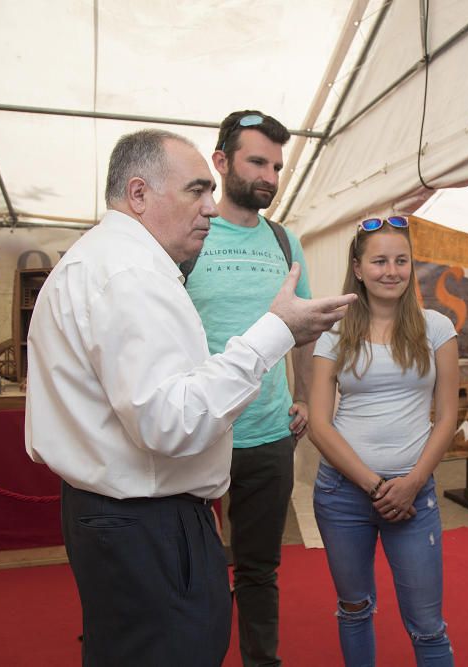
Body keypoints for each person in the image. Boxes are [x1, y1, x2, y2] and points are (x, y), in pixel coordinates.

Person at [25, 128, 355, 667]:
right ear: (138, 194)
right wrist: (275, 331)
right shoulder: (130, 274)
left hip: (120, 515)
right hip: (147, 522)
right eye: (195, 192)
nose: (209, 208)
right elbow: (169, 421)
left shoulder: (106, 260)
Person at [182, 109, 307, 667]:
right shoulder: (188, 235)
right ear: (220, 162)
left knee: (259, 568)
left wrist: (301, 395)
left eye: (277, 166)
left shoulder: (285, 241)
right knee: (189, 567)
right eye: (257, 161)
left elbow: (302, 328)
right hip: (196, 433)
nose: (270, 176)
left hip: (268, 433)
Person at [309, 215, 460, 666]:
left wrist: (412, 482)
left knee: (428, 625)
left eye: (401, 260)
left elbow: (447, 417)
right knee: (354, 609)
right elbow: (320, 423)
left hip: (412, 497)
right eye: (379, 261)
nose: (391, 271)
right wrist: (375, 487)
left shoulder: (437, 327)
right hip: (343, 494)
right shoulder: (335, 331)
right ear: (357, 268)